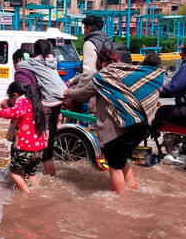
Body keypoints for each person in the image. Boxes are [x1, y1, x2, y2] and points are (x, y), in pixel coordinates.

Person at [65, 48, 164, 193]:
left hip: (119, 130)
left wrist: (68, 93)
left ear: (102, 63)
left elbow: (83, 94)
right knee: (123, 160)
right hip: (141, 126)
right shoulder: (130, 71)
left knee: (114, 166)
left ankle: (121, 201)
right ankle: (132, 190)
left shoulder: (103, 76)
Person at [16, 40, 67, 176]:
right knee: (48, 152)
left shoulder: (27, 67)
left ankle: (27, 179)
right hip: (59, 99)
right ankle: (51, 178)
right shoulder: (52, 62)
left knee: (39, 149)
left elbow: (26, 91)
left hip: (46, 105)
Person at [0, 81, 46, 193]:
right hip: (39, 149)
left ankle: (28, 195)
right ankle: (38, 192)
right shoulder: (34, 102)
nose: (12, 101)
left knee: (14, 172)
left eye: (11, 98)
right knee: (31, 174)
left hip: (26, 148)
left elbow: (15, 112)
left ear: (15, 95)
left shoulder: (22, 101)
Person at [151, 39, 186, 131]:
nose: (181, 55)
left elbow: (174, 88)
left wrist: (153, 91)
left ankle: (153, 132)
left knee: (162, 111)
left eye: (182, 52)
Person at [67, 15, 112, 88]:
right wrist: (72, 81)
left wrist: (77, 89)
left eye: (84, 28)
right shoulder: (107, 41)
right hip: (107, 83)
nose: (84, 31)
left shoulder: (90, 43)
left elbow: (89, 72)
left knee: (67, 95)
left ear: (89, 28)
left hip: (96, 86)